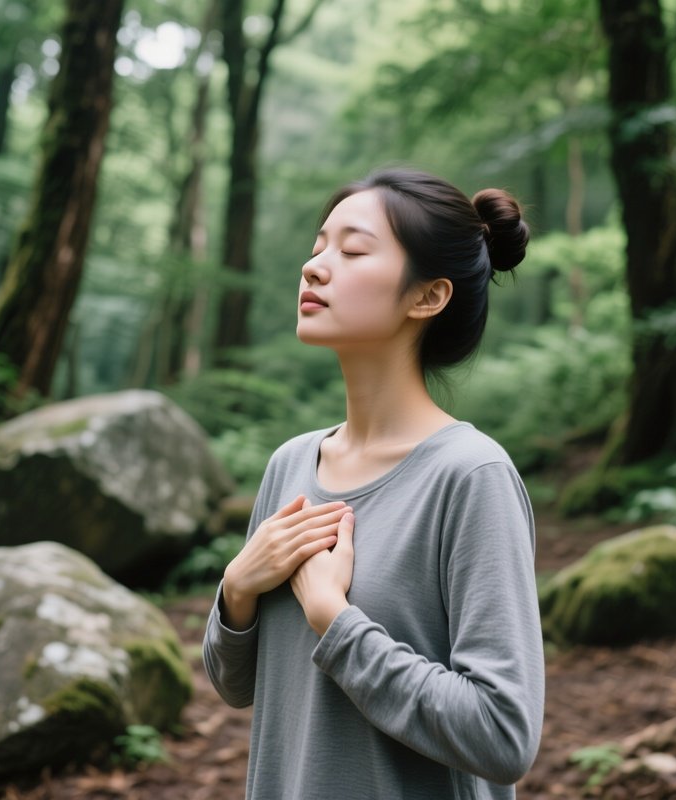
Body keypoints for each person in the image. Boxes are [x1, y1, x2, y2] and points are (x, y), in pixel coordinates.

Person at [203, 167, 545, 800]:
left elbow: (503, 736)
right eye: (317, 248)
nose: (314, 267)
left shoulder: (471, 476)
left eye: (354, 250)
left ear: (427, 296)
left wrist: (335, 620)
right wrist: (237, 590)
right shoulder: (291, 464)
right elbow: (237, 686)